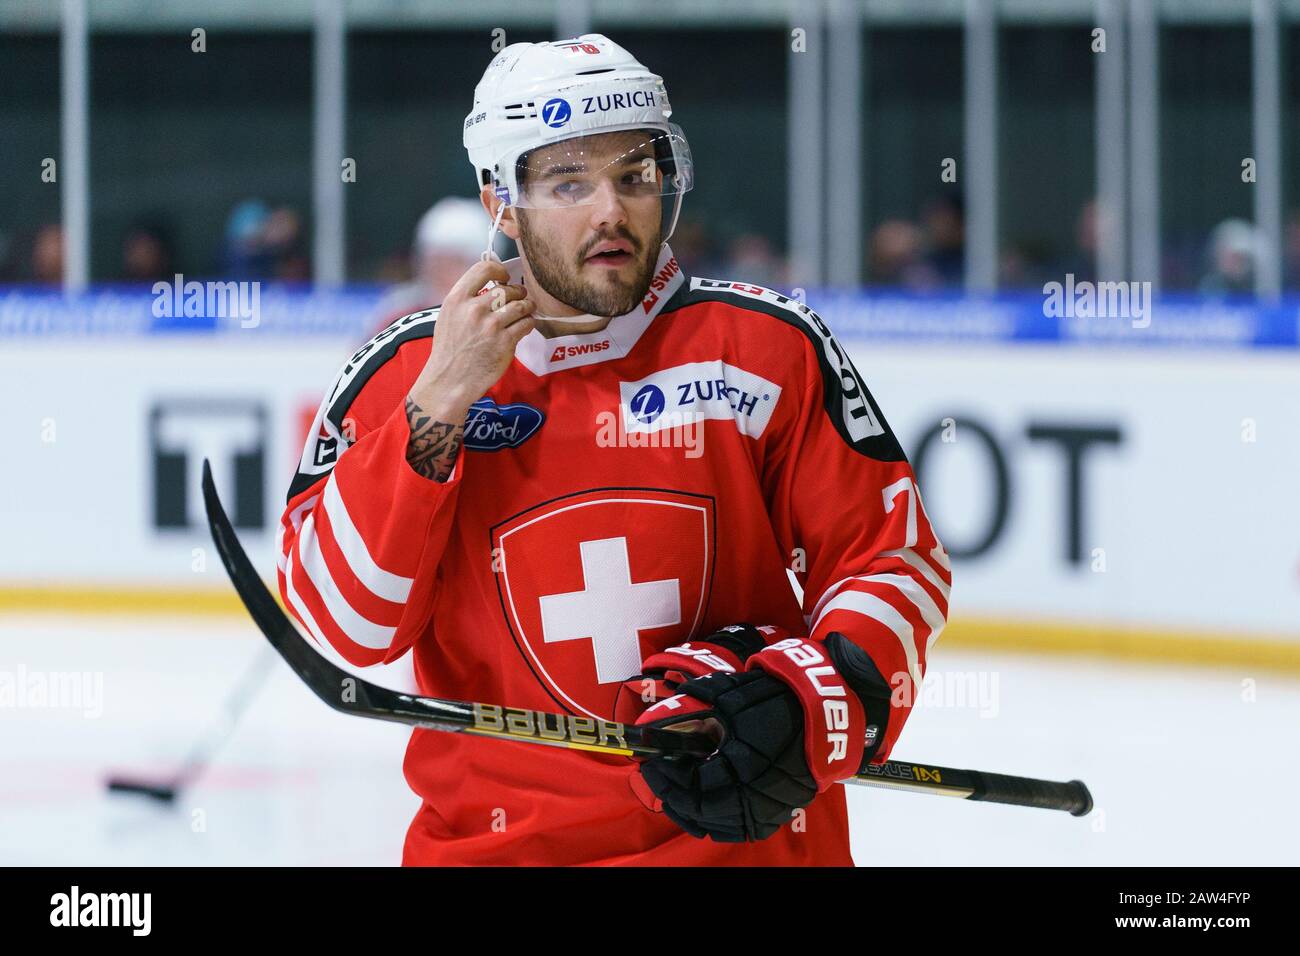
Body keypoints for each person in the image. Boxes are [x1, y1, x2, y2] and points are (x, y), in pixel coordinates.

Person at [277, 34, 949, 866]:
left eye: (635, 176)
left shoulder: (765, 348)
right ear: (502, 204)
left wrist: (812, 697)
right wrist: (438, 407)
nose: (611, 210)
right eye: (569, 182)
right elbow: (343, 628)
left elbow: (895, 563)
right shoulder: (406, 373)